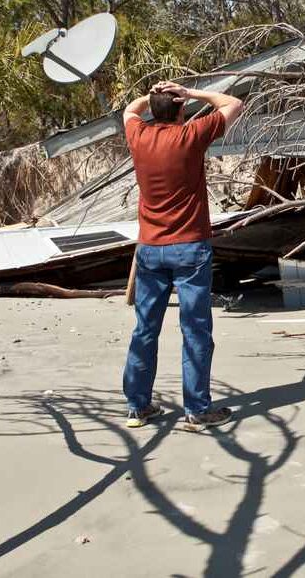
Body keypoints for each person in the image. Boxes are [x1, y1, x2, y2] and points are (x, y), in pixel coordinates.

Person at [121, 80, 244, 429]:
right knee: (195, 330)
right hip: (190, 247)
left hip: (150, 249)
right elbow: (233, 103)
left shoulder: (139, 137)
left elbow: (129, 110)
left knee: (145, 328)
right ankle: (197, 409)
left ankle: (138, 406)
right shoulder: (189, 135)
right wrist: (191, 93)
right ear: (180, 111)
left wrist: (155, 96)